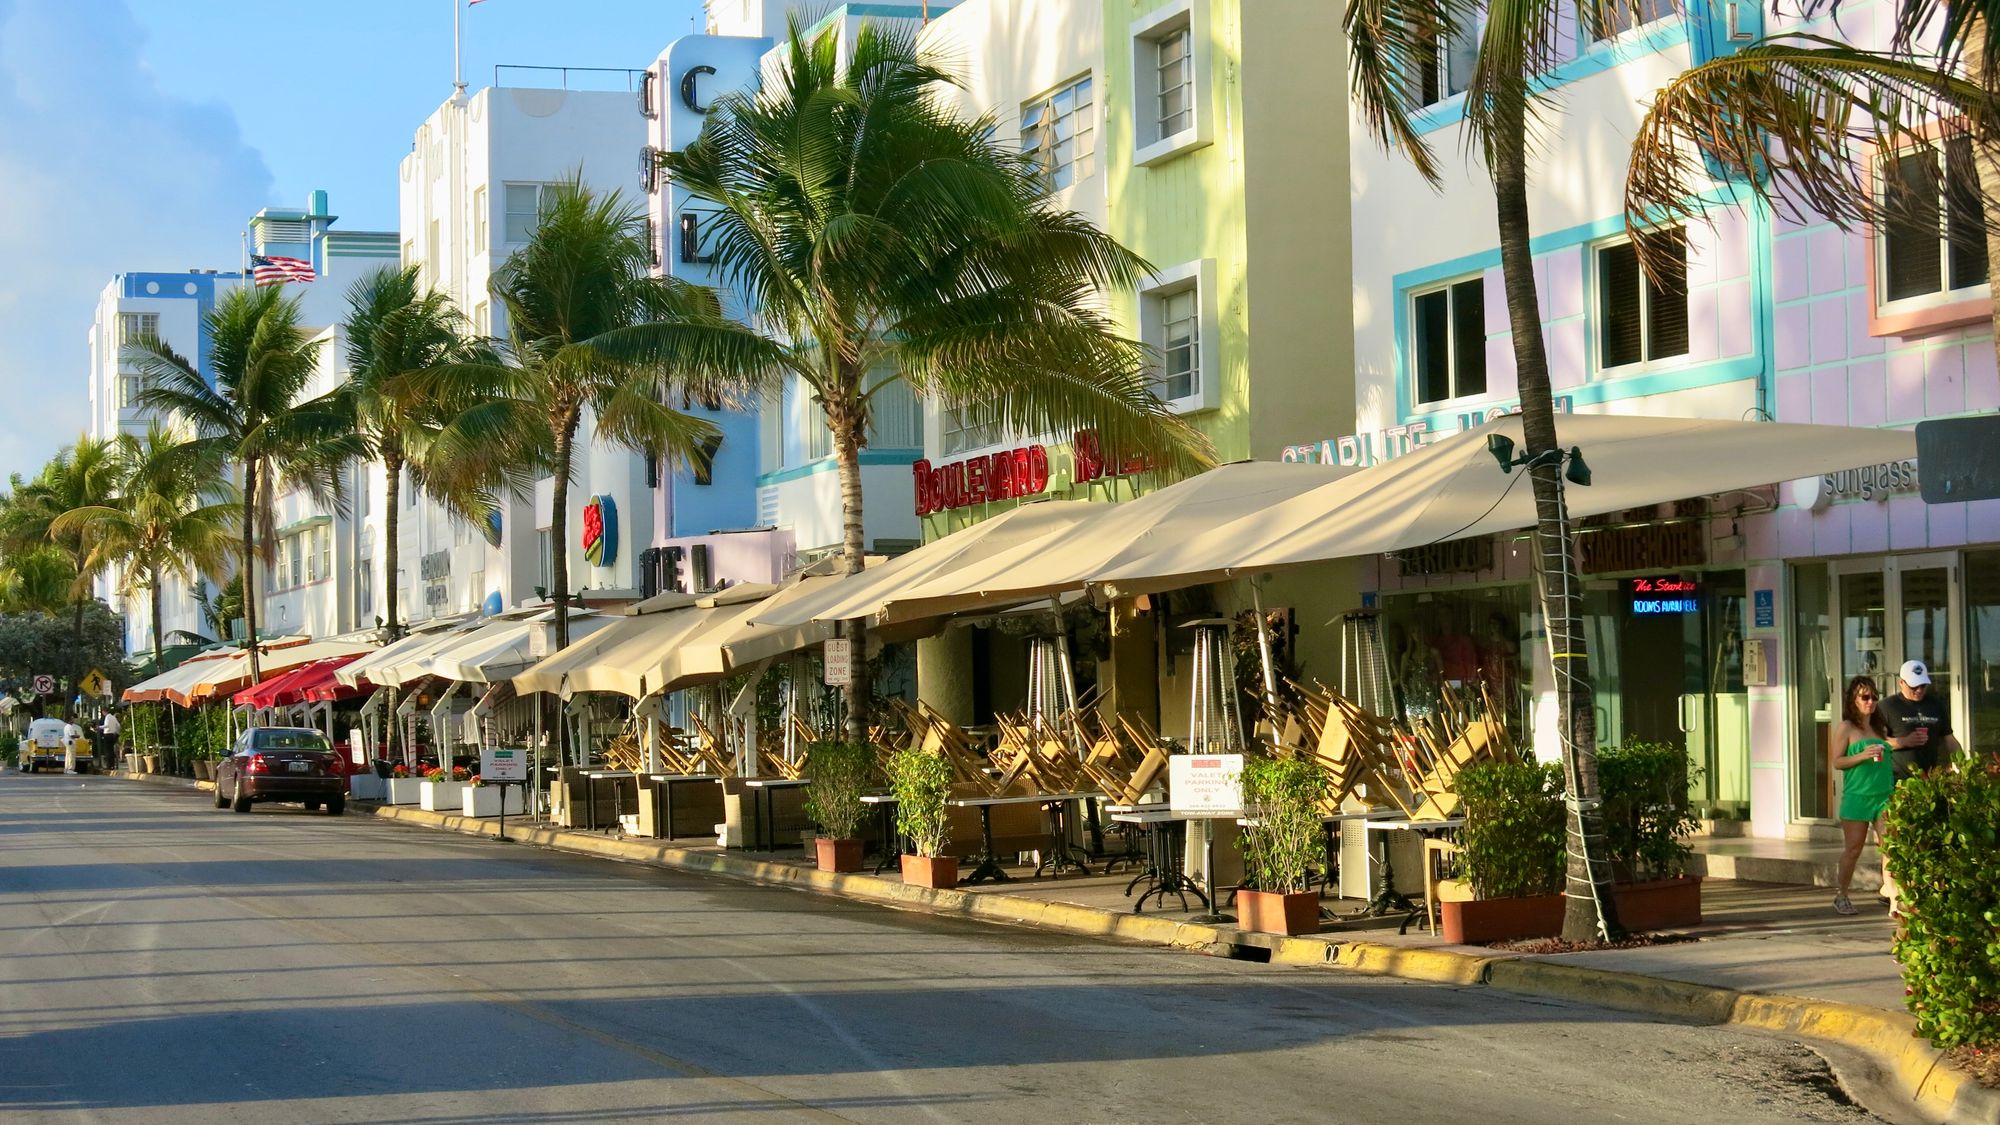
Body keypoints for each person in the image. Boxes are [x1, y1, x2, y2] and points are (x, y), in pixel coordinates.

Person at [1829, 676, 1896, 916]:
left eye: (1874, 697)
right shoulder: (1846, 728)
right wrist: (1862, 755)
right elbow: (1837, 762)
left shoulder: (1880, 728)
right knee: (1854, 849)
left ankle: (1894, 898)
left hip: (1883, 795)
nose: (1871, 702)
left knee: (1890, 848)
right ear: (1854, 700)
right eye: (1865, 697)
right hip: (1858, 796)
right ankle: (1842, 894)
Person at [1877, 659, 1962, 780]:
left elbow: (1950, 740)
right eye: (1914, 686)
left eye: (1923, 685)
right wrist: (1903, 742)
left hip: (1930, 780)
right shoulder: (1887, 706)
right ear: (1901, 682)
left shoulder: (1936, 705)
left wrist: (1962, 766)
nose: (1919, 690)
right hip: (1898, 781)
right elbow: (1877, 743)